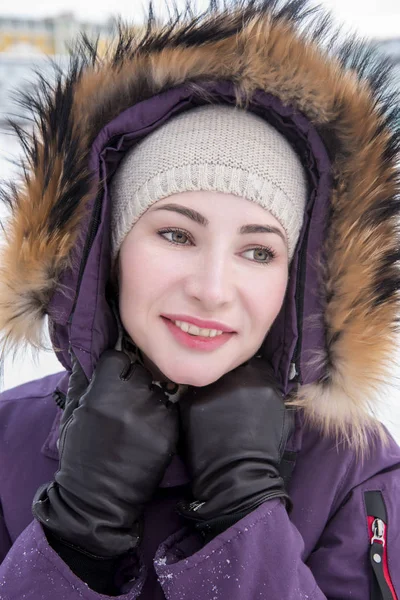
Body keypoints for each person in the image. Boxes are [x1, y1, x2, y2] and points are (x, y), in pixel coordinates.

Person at [0, 0, 399, 598]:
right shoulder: (7, 437)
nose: (211, 289)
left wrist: (244, 511)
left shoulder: (353, 467)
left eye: (259, 251)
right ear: (107, 248)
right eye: (176, 234)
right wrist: (75, 535)